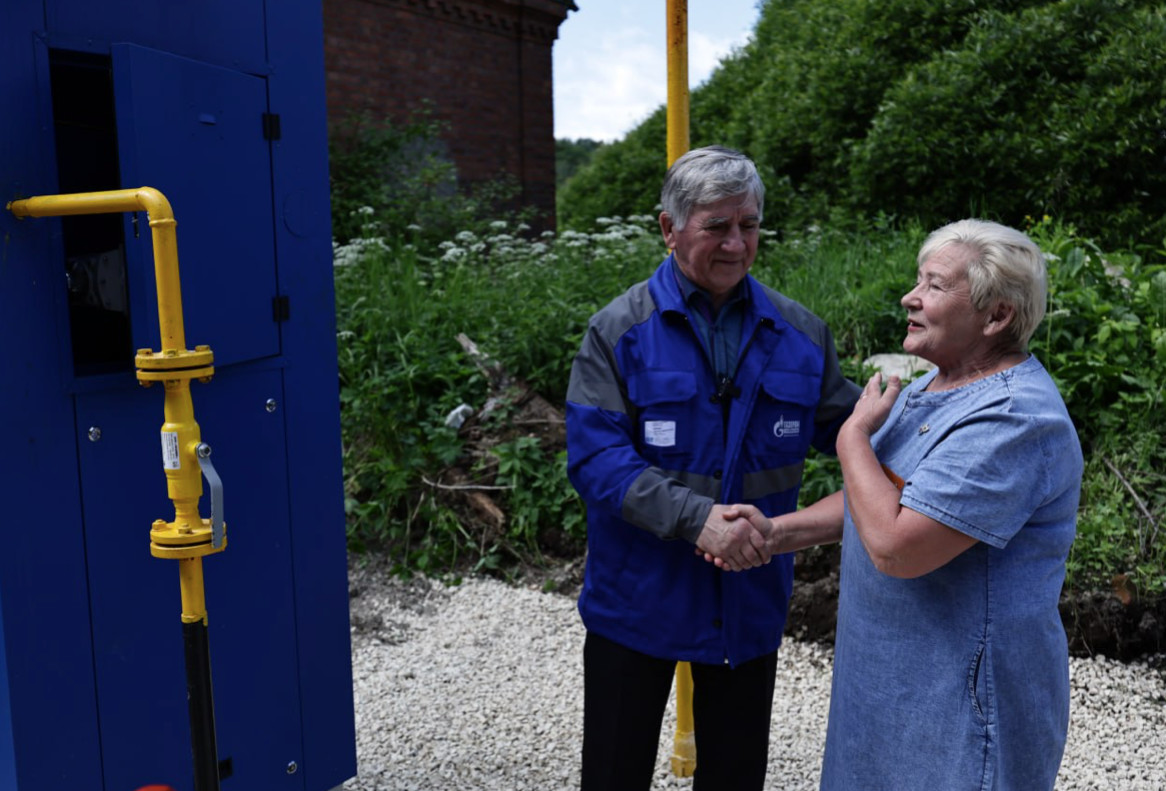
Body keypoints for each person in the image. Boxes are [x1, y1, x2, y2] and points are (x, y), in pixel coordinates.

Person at [719, 219, 1084, 790]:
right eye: (919, 280)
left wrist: (850, 439)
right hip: (888, 692)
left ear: (996, 317)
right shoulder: (930, 387)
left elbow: (895, 546)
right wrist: (776, 533)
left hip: (960, 710)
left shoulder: (1014, 420)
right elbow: (882, 494)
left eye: (935, 286)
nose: (909, 297)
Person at [564, 145, 860, 791]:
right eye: (716, 226)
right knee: (612, 776)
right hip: (635, 597)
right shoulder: (617, 332)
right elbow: (596, 458)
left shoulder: (801, 335)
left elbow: (857, 438)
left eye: (749, 225)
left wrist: (934, 414)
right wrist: (697, 520)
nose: (736, 243)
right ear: (669, 229)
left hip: (747, 601)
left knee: (733, 779)